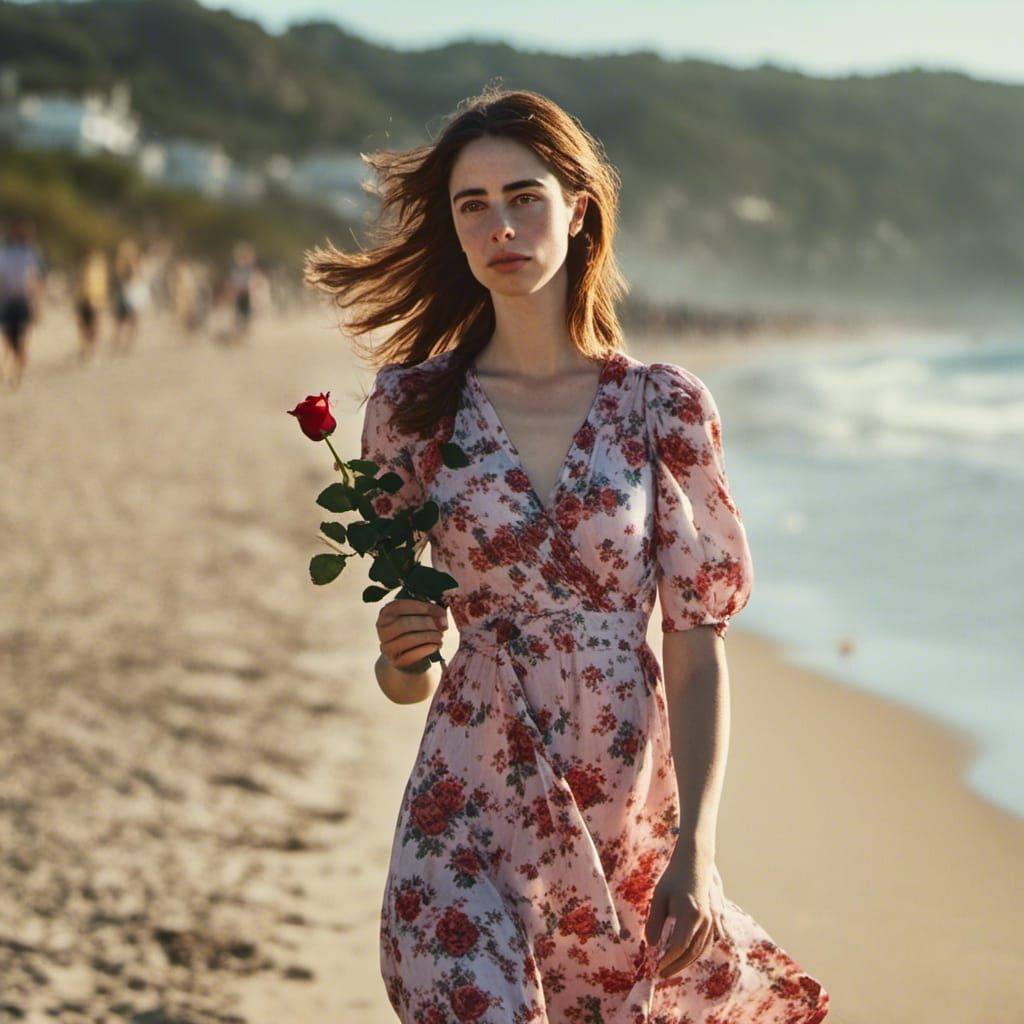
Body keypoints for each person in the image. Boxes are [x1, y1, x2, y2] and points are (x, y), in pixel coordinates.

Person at [305, 86, 830, 1023]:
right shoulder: (415, 408)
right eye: (473, 205)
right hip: (466, 787)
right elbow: (408, 680)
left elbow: (697, 643)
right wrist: (398, 656)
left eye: (524, 197)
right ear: (456, 229)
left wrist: (697, 850)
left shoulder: (660, 407)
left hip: (619, 795)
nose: (500, 225)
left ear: (576, 210)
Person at [0, 217, 44, 389]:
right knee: (7, 336)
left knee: (22, 337)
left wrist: (37, 304)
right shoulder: (4, 252)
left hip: (23, 301)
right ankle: (16, 363)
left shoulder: (31, 253)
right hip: (7, 301)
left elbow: (36, 280)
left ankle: (18, 373)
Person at [74, 247, 110, 361]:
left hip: (95, 300)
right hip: (83, 300)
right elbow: (79, 285)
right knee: (82, 325)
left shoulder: (98, 267)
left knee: (94, 326)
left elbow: (102, 285)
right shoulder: (82, 268)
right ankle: (85, 347)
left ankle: (92, 349)